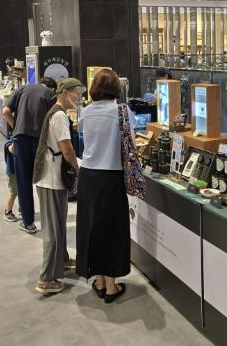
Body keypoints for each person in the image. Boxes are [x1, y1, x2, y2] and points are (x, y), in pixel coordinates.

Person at [76, 69, 134, 303]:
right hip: (111, 176)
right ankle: (111, 287)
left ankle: (99, 281)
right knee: (112, 229)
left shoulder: (86, 111)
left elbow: (82, 133)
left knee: (93, 227)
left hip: (88, 176)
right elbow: (130, 142)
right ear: (116, 88)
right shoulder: (122, 111)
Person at [32, 78, 84, 294]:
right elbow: (66, 148)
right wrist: (78, 169)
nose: (79, 98)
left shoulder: (56, 112)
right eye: (77, 93)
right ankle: (46, 279)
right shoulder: (60, 115)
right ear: (64, 93)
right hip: (51, 178)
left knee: (59, 224)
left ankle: (62, 260)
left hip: (53, 177)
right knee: (53, 230)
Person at [2, 79, 56, 234]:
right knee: (44, 180)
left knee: (23, 182)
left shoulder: (21, 89)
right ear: (52, 88)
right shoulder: (50, 95)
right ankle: (49, 220)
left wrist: (16, 127)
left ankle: (28, 223)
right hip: (40, 141)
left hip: (21, 140)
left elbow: (5, 112)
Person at [4, 138, 19, 222]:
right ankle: (8, 212)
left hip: (20, 171)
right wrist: (17, 139)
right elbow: (12, 149)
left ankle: (22, 208)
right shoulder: (9, 142)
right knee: (13, 193)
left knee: (22, 191)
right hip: (12, 173)